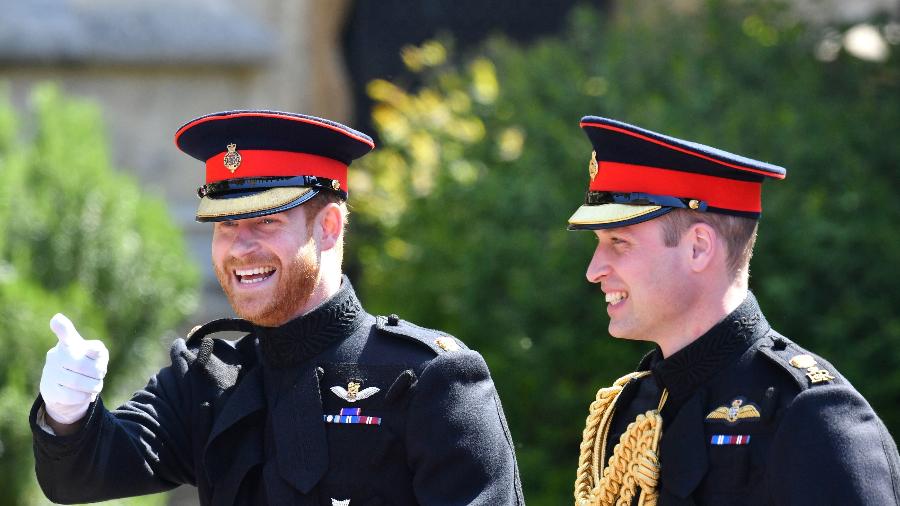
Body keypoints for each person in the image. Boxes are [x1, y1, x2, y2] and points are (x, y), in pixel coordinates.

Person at [30, 110, 524, 505]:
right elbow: (79, 477)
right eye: (224, 225)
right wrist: (68, 412)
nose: (239, 247)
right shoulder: (207, 381)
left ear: (328, 226)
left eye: (264, 222)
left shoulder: (428, 379)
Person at [567, 116, 900, 505]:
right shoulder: (633, 408)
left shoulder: (811, 414)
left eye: (618, 242)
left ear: (699, 247)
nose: (594, 270)